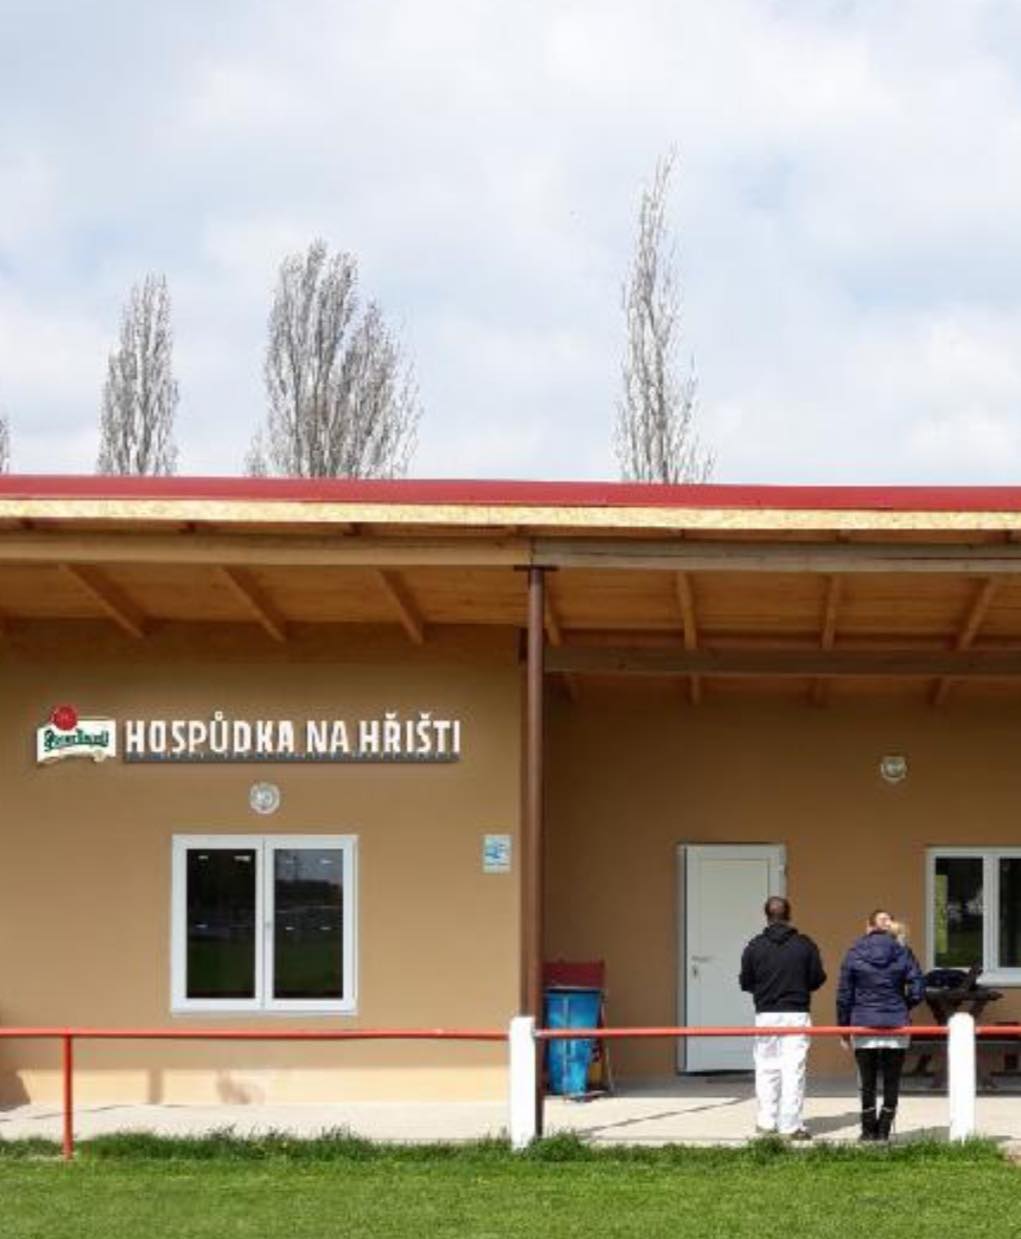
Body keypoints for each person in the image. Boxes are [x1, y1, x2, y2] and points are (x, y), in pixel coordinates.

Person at [739, 895, 827, 1140]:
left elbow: (745, 982)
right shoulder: (805, 945)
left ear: (766, 916)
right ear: (789, 915)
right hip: (796, 1013)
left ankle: (766, 1122)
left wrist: (764, 991)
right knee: (793, 1070)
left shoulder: (754, 946)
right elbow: (817, 978)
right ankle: (790, 1126)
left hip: (766, 1014)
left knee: (766, 1068)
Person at [837, 909, 925, 1142]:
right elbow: (918, 989)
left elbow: (844, 995)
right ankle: (884, 1130)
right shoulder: (903, 952)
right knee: (892, 1079)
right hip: (896, 1023)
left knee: (866, 1081)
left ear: (868, 927)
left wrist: (843, 1028)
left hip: (863, 1022)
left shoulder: (854, 952)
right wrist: (902, 1006)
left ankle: (868, 1131)